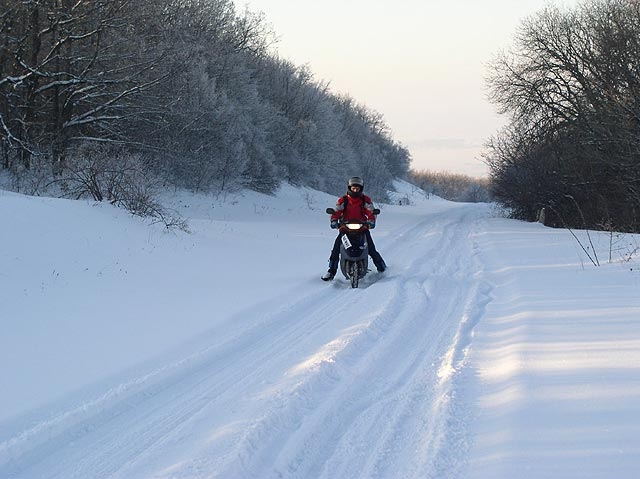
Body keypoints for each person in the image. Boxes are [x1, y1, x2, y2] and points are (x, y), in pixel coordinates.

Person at [321, 176, 387, 281]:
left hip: (362, 228)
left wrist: (371, 221)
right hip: (345, 228)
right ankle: (331, 272)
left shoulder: (365, 200)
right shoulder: (344, 200)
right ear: (349, 188)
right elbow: (336, 211)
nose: (355, 190)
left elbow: (371, 211)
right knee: (336, 249)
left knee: (371, 248)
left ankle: (382, 267)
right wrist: (334, 220)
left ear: (361, 188)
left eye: (357, 188)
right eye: (353, 188)